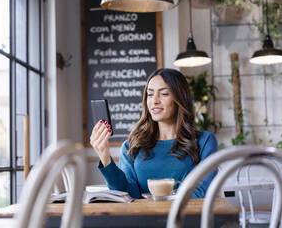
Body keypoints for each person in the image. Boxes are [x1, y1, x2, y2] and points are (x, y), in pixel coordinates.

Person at [89, 68, 217, 199]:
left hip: (186, 218)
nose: (154, 101)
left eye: (164, 94)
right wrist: (105, 157)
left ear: (180, 98)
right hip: (143, 218)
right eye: (150, 95)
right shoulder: (132, 146)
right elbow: (125, 195)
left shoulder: (205, 141)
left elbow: (203, 192)